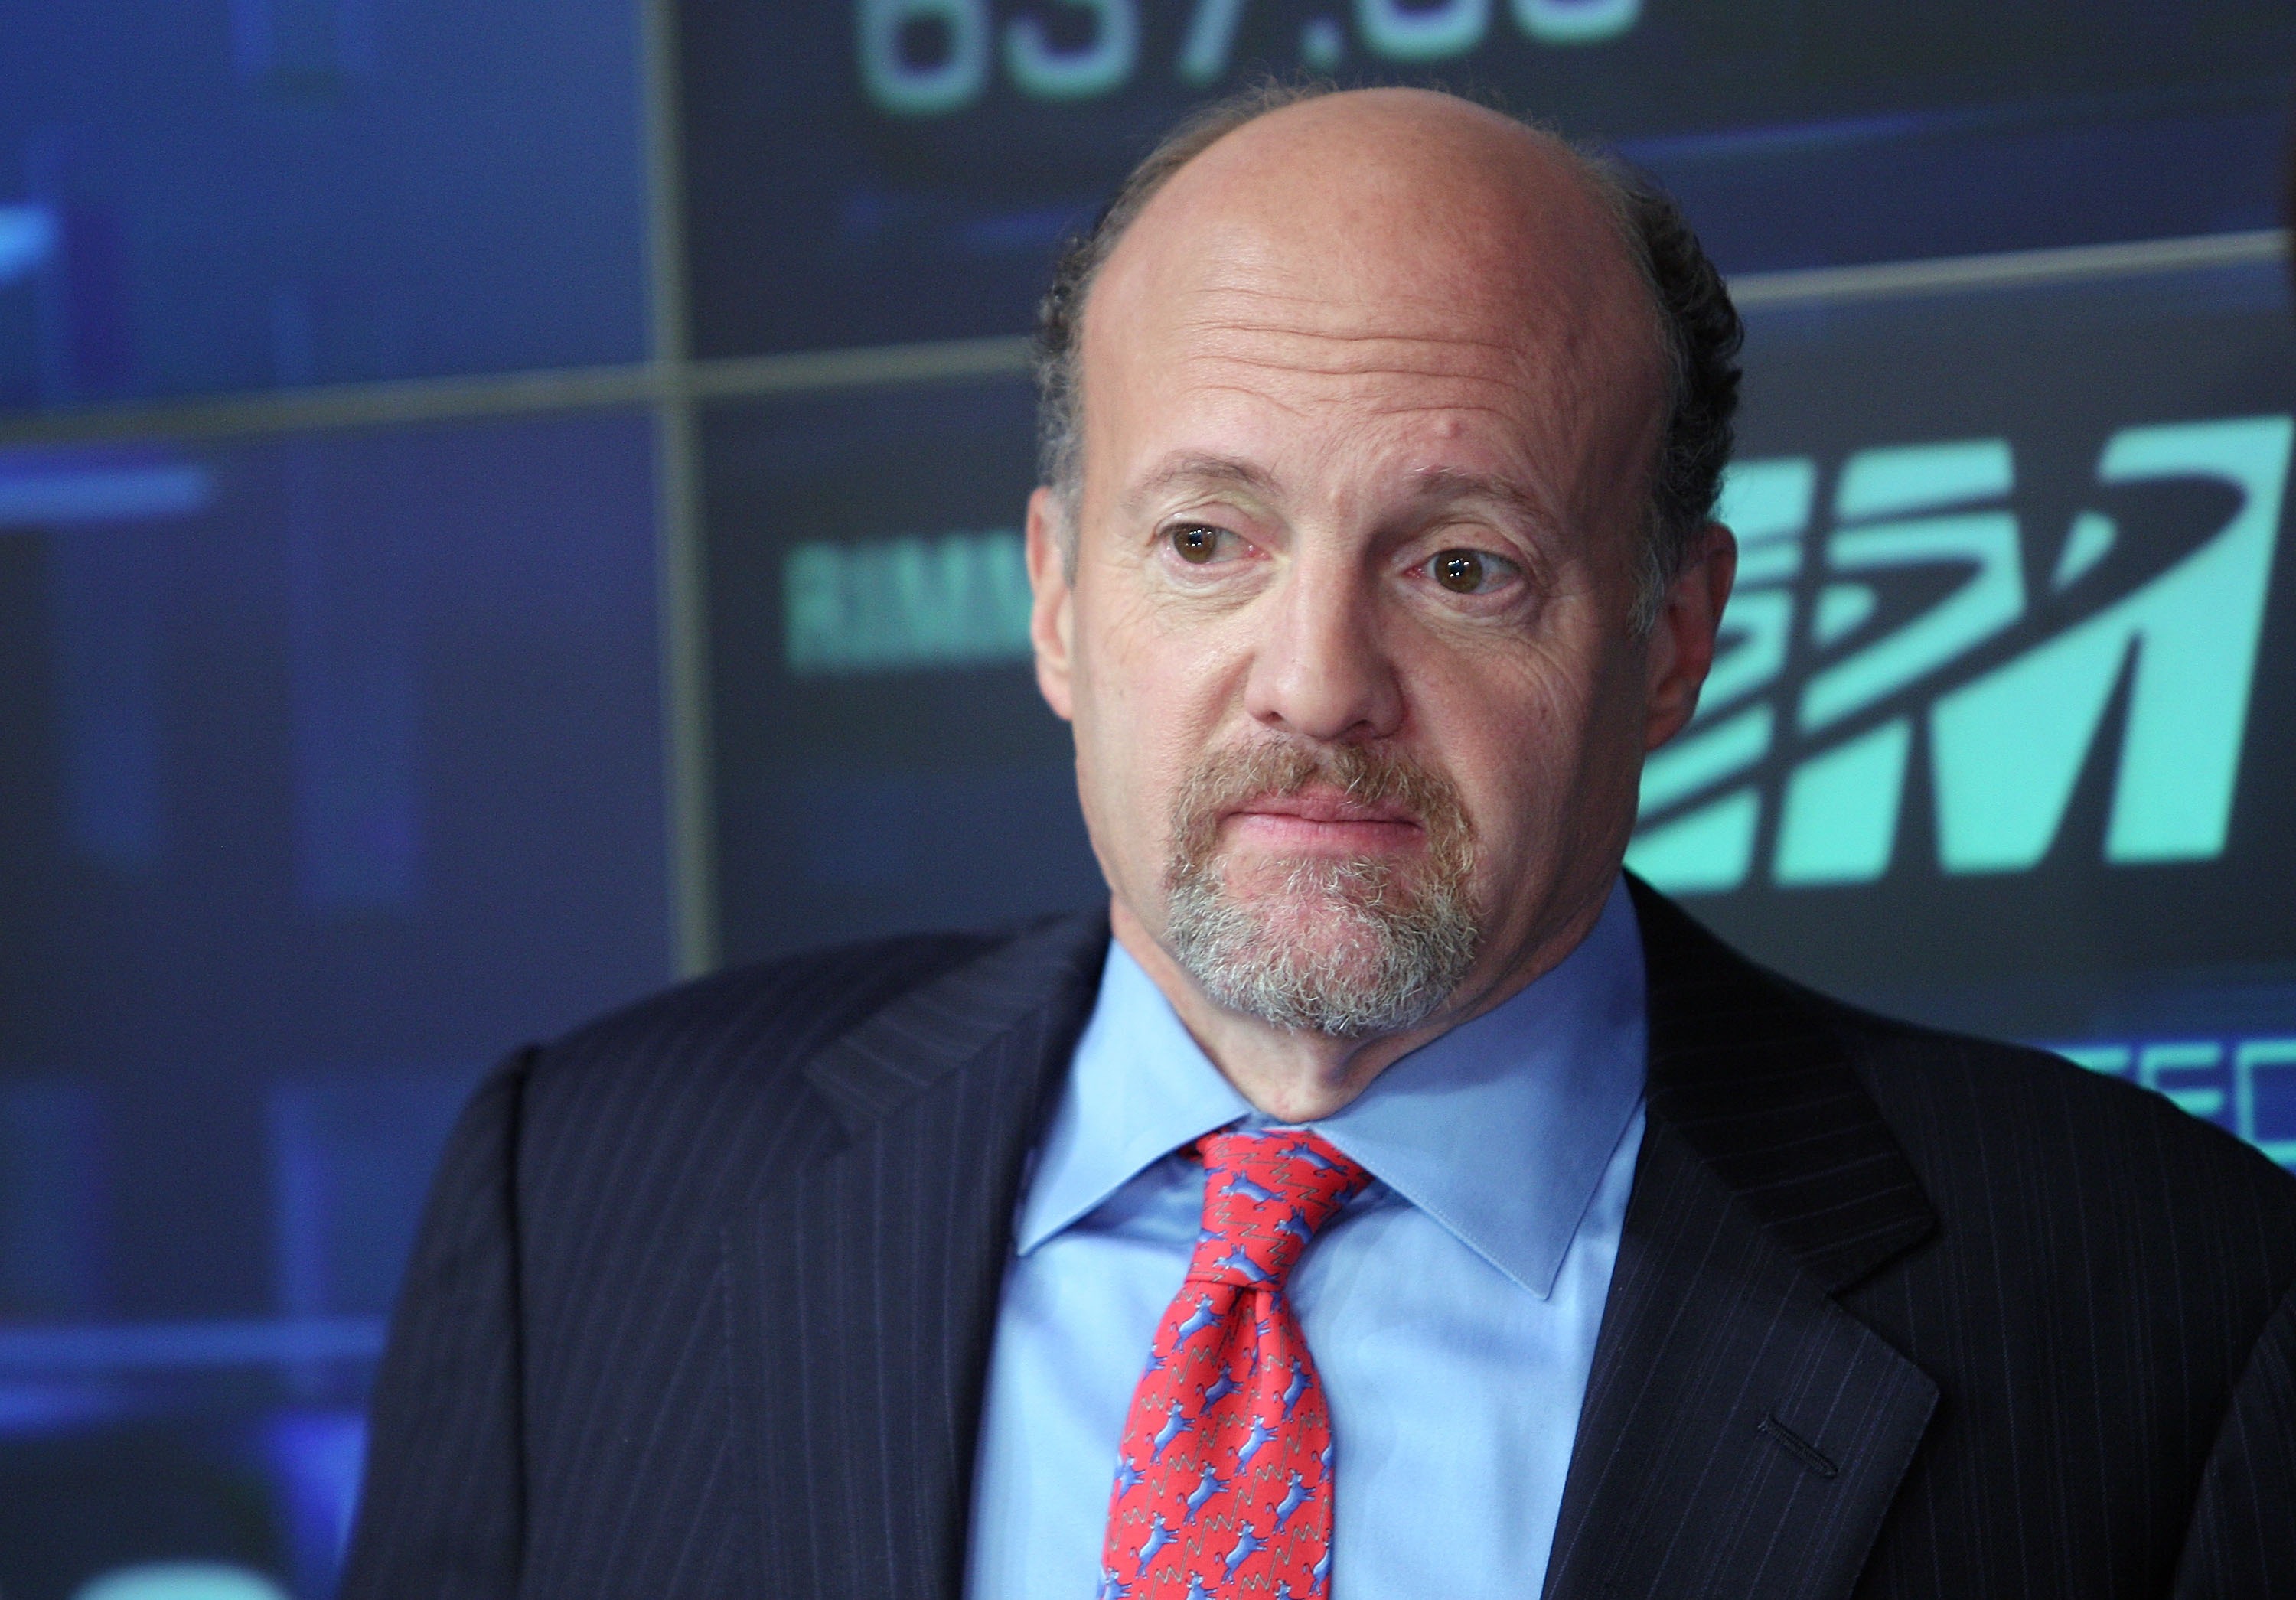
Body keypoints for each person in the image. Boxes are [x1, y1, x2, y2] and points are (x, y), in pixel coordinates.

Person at [342, 85, 2296, 1598]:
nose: (1317, 681)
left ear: (1671, 636)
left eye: (1462, 564)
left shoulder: (2165, 1306)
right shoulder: (583, 1197)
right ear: (1056, 595)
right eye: (1208, 539)